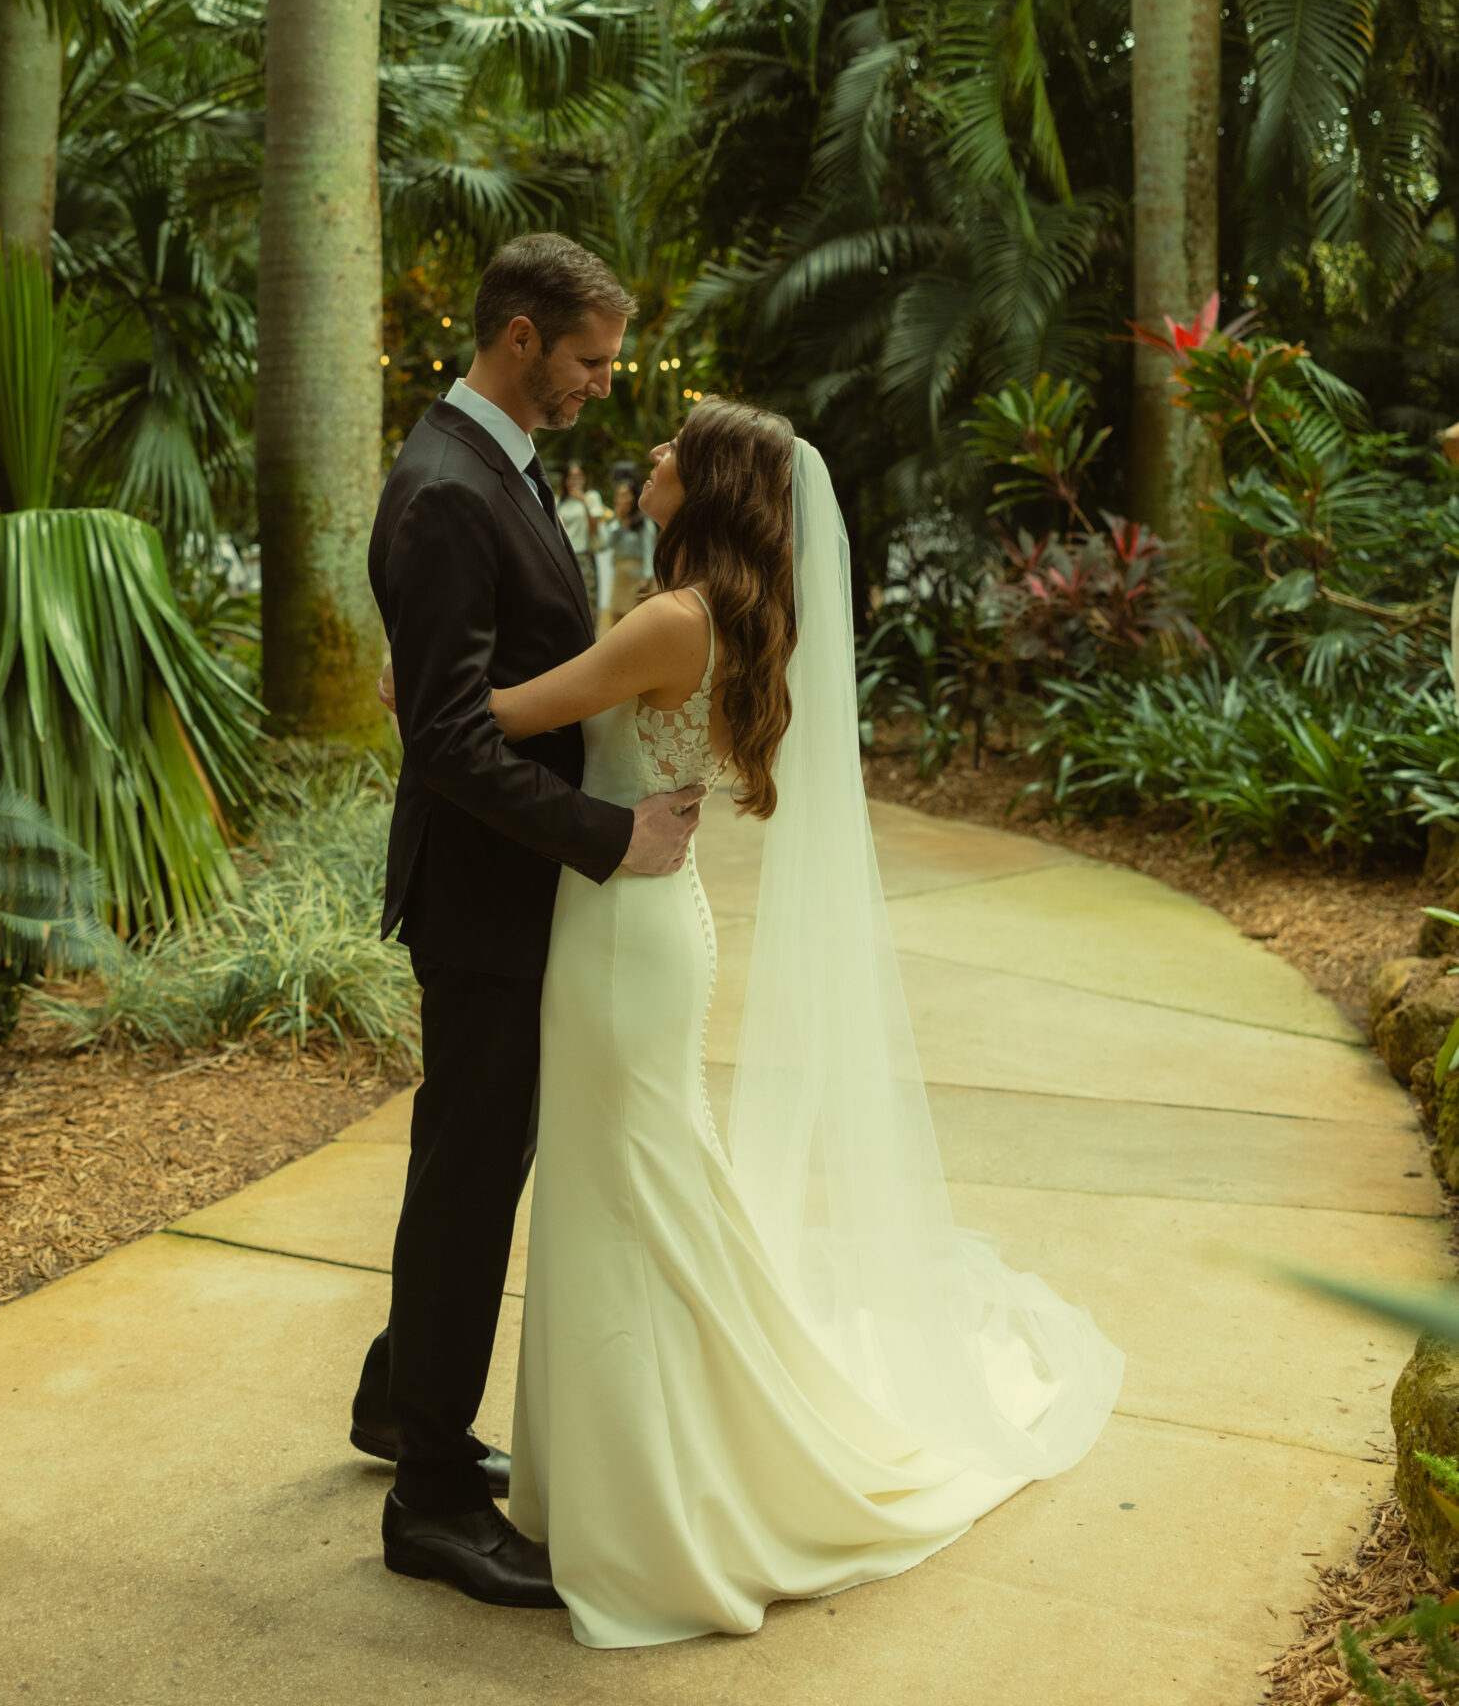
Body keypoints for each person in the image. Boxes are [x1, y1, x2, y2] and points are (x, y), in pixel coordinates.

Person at [485, 396, 1124, 1648]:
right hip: (645, 920)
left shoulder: (675, 619)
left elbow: (512, 714)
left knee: (634, 1196)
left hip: (623, 935)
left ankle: (672, 1503)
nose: (655, 455)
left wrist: (423, 675)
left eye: (676, 445)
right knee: (632, 1189)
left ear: (713, 482)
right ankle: (625, 1478)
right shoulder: (725, 615)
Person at [351, 233, 702, 1613]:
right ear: (515, 336)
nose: (599, 386)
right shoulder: (445, 488)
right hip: (487, 896)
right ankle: (427, 1500)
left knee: (464, 1166)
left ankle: (399, 1403)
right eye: (586, 360)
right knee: (469, 1178)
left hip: (510, 891)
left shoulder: (487, 465)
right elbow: (444, 739)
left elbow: (478, 676)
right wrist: (608, 839)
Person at [597, 475, 655, 629]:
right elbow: (606, 544)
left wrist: (647, 577)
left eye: (624, 495)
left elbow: (649, 550)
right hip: (620, 573)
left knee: (633, 620)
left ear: (633, 497)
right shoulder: (618, 523)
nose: (621, 499)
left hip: (637, 575)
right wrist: (617, 519)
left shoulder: (643, 522)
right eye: (618, 495)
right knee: (615, 616)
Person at [555, 460, 609, 591]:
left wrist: (583, 500)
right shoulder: (558, 501)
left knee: (587, 595)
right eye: (571, 476)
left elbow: (594, 528)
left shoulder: (592, 497)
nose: (575, 480)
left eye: (579, 476)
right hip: (562, 555)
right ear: (565, 479)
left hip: (583, 556)